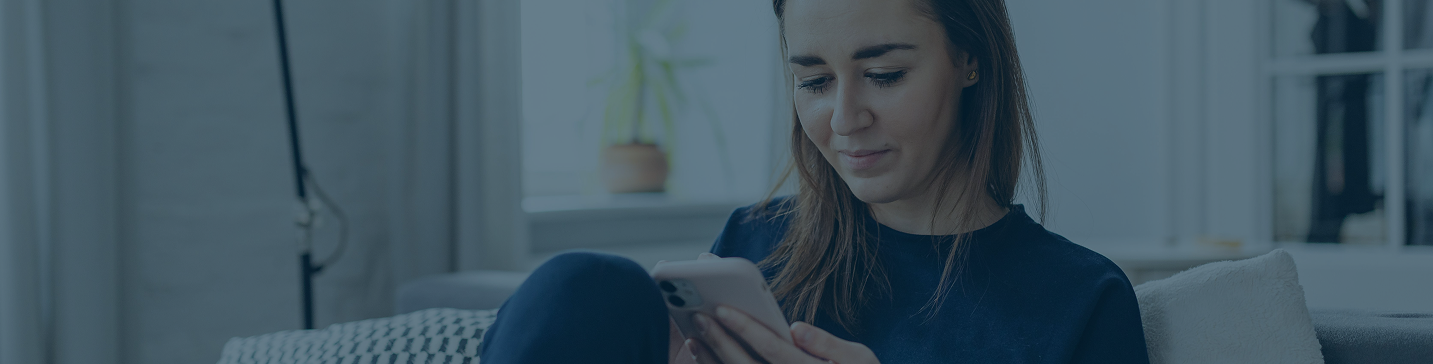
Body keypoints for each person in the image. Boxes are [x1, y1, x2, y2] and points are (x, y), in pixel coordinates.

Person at [478, 0, 1151, 362]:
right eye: (814, 81)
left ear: (969, 60)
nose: (844, 118)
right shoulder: (754, 243)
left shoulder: (1082, 302)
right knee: (587, 287)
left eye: (884, 74)